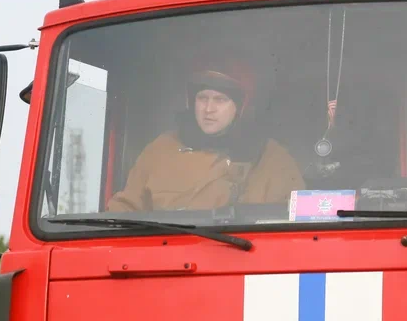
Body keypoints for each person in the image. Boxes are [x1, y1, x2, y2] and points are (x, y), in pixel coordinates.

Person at [107, 57, 304, 212]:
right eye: (202, 98)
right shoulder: (161, 149)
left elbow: (297, 220)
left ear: (240, 107)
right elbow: (125, 210)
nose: (208, 109)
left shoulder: (271, 158)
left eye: (220, 100)